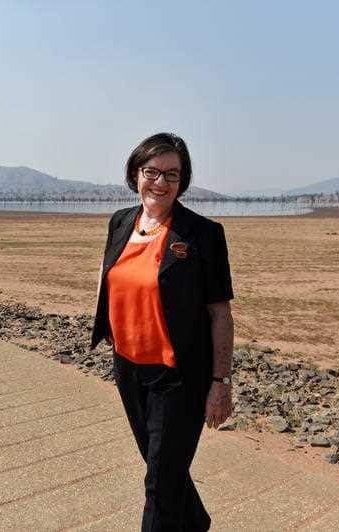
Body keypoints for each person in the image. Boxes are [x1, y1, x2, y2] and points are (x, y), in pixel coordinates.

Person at [91, 132, 234, 531]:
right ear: (135, 174)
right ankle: (196, 522)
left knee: (158, 484)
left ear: (182, 181)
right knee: (163, 469)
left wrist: (220, 383)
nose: (160, 182)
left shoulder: (203, 234)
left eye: (172, 174)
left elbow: (220, 314)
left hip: (178, 377)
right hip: (128, 369)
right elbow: (112, 278)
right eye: (151, 171)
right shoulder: (121, 222)